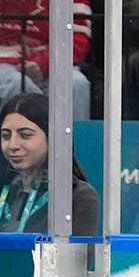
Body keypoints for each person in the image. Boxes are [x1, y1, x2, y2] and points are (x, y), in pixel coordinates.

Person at [0, 0, 94, 119]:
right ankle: (28, 144)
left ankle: (71, 150)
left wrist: (43, 64)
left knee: (76, 84)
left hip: (46, 65)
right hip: (3, 66)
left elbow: (78, 31)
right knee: (16, 84)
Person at [1, 93, 98, 235]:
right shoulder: (4, 188)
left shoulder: (77, 196)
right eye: (5, 136)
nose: (13, 145)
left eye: (25, 135)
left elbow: (78, 256)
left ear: (52, 137)